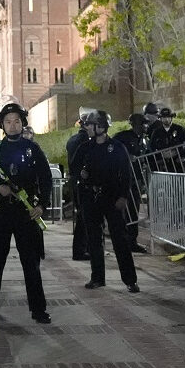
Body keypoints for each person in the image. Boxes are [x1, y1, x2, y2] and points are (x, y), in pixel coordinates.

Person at [0, 102, 51, 324]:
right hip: (0, 213)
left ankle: (38, 309)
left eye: (17, 121)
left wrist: (42, 205)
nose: (13, 125)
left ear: (23, 123)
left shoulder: (32, 149)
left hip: (26, 214)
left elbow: (45, 179)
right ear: (2, 125)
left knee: (31, 263)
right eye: (8, 122)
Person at [70, 110, 139, 293]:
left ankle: (130, 280)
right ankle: (97, 278)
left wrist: (123, 196)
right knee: (94, 240)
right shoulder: (85, 147)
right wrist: (81, 178)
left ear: (101, 126)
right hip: (91, 199)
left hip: (112, 198)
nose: (87, 128)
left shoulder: (116, 147)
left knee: (120, 240)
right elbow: (74, 169)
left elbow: (126, 174)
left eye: (90, 125)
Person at [112, 114, 153, 254]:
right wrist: (126, 157)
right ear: (135, 124)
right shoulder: (122, 137)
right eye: (143, 124)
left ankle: (131, 241)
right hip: (123, 180)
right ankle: (121, 240)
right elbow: (112, 150)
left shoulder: (144, 140)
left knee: (133, 212)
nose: (145, 127)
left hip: (136, 180)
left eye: (146, 124)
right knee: (123, 211)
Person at [65, 112, 92, 260]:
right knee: (84, 218)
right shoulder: (84, 141)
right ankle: (81, 250)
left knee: (83, 217)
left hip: (76, 182)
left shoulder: (73, 139)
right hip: (82, 182)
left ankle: (82, 249)